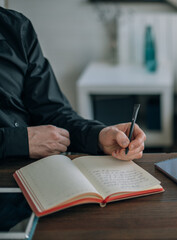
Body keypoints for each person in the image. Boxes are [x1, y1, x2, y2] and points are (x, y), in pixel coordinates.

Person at [0, 7, 146, 160]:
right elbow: (26, 140)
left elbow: (52, 112)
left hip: (36, 169)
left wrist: (98, 135)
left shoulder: (16, 27)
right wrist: (18, 142)